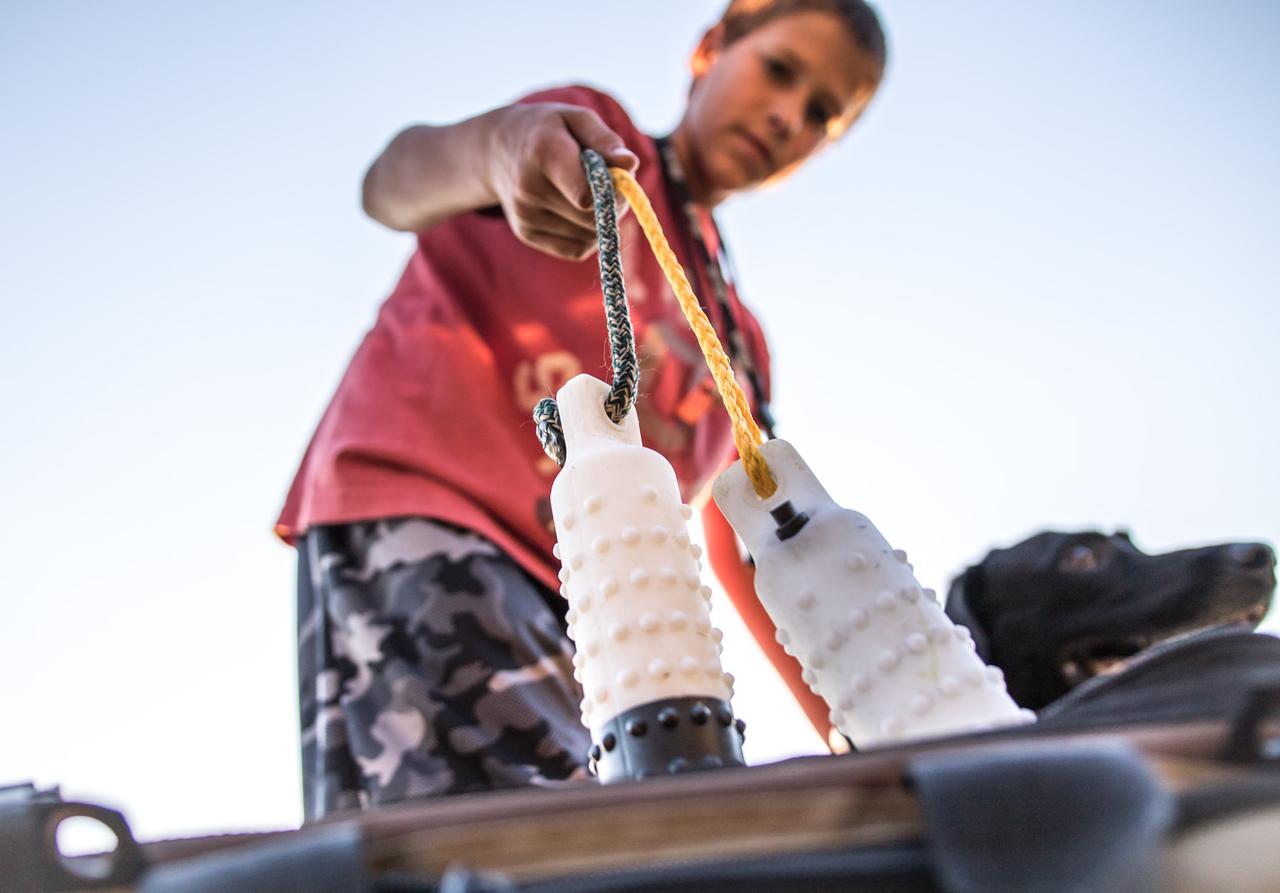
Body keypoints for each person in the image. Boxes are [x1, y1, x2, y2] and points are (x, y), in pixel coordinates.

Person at [277, 0, 887, 819]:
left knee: (545, 842)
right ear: (711, 48)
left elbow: (748, 547)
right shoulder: (586, 141)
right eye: (779, 70)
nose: (786, 116)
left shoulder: (737, 343)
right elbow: (391, 184)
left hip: (585, 619)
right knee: (502, 839)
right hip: (430, 521)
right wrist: (498, 154)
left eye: (821, 115)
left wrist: (858, 729)